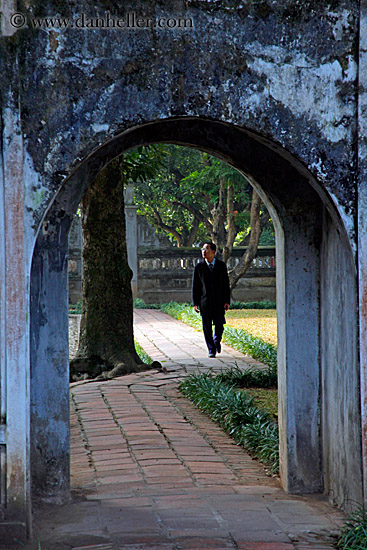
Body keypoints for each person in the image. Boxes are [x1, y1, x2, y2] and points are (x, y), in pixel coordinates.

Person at [192, 242, 230, 357]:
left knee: (219, 325)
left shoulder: (221, 265)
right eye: (203, 249)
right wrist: (195, 303)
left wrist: (227, 301)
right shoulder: (199, 267)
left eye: (207, 249)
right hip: (205, 302)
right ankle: (211, 349)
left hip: (219, 301)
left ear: (213, 251)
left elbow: (225, 284)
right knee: (207, 327)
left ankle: (216, 341)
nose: (204, 251)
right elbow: (196, 286)